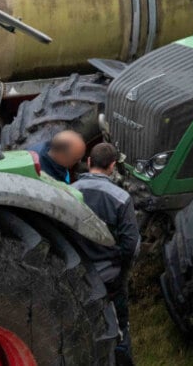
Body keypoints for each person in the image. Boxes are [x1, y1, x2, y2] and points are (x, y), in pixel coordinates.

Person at [72, 143, 140, 366]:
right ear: (112, 166)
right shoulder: (121, 198)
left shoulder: (69, 192)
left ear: (89, 162)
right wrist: (122, 266)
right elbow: (130, 244)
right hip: (110, 275)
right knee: (119, 325)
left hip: (77, 272)